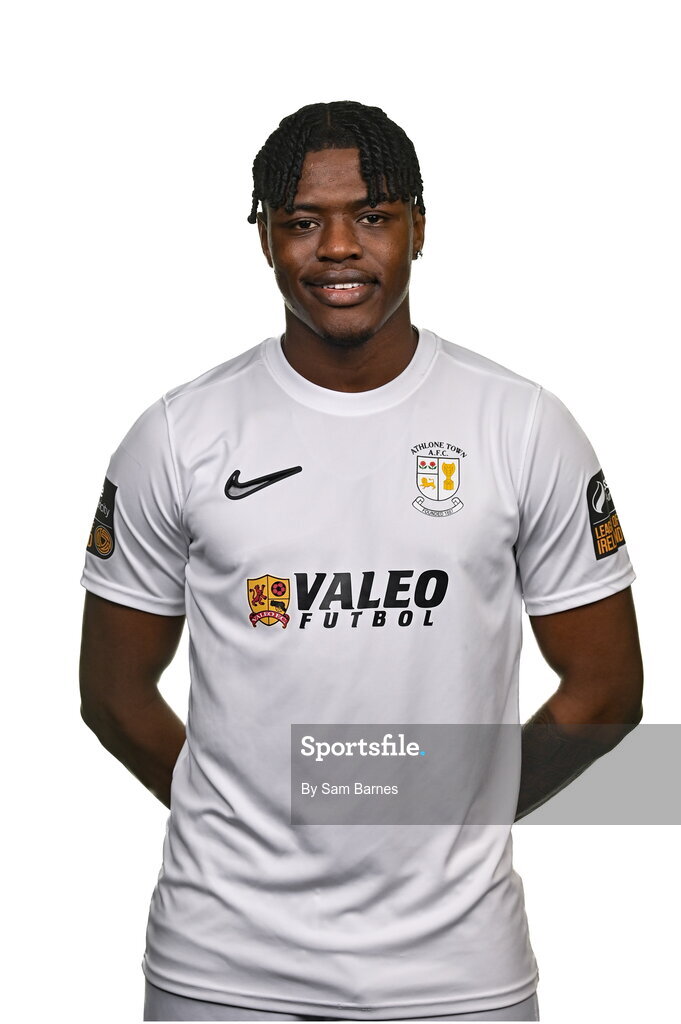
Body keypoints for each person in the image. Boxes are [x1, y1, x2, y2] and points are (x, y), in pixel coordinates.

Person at [79, 100, 644, 1022]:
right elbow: (112, 693)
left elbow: (606, 690)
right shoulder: (179, 434)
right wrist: (241, 821)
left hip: (458, 973)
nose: (338, 247)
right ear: (264, 237)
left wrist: (457, 811)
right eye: (302, 220)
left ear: (418, 227)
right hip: (222, 969)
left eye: (372, 215)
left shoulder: (521, 425)